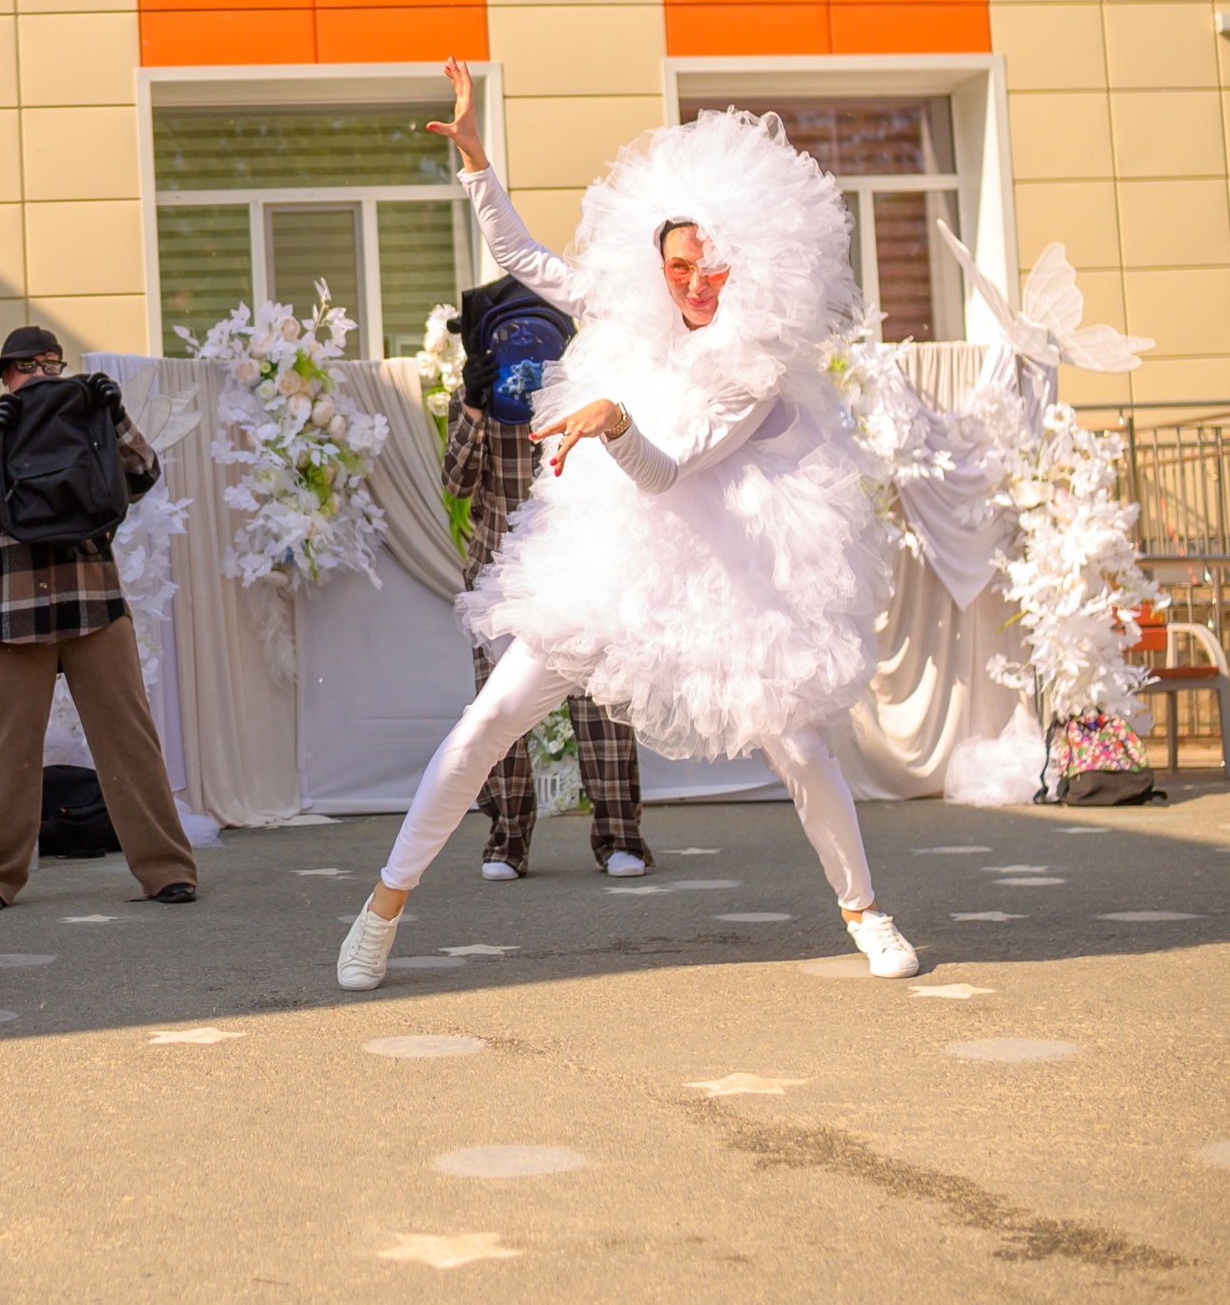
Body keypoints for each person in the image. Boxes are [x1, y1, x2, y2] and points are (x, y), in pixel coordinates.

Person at [338, 63, 918, 989]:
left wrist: (611, 420)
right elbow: (528, 261)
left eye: (710, 266)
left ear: (747, 264)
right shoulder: (631, 314)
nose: (694, 283)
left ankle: (863, 908)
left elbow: (669, 469)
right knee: (489, 716)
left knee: (803, 748)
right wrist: (479, 166)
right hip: (616, 563)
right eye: (678, 266)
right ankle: (382, 906)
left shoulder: (754, 367)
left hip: (734, 573)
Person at [0, 327, 197, 912]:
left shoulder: (92, 425)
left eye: (47, 364)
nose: (35, 374)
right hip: (14, 614)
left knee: (129, 741)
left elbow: (142, 475)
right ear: (5, 378)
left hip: (93, 607)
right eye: (23, 367)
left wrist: (116, 414)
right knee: (3, 750)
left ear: (60, 370)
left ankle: (167, 871)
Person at [441, 292, 654, 881]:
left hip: (579, 560)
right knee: (498, 708)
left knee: (602, 701)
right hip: (499, 569)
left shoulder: (588, 398)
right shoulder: (478, 397)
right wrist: (475, 408)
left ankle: (620, 836)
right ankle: (507, 840)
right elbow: (456, 484)